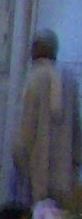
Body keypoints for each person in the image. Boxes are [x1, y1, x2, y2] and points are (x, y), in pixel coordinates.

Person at [10, 29, 79, 209]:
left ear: (36, 49)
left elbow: (25, 127)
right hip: (64, 177)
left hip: (36, 173)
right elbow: (77, 130)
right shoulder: (70, 81)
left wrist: (19, 159)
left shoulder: (33, 79)